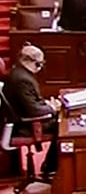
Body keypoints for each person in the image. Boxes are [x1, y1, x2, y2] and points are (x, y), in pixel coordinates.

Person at [4, 46, 61, 176]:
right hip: (25, 125)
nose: (40, 68)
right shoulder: (22, 80)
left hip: (21, 118)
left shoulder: (18, 71)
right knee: (62, 126)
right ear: (33, 61)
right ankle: (51, 167)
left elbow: (31, 102)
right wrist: (53, 108)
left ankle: (50, 166)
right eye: (40, 64)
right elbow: (34, 111)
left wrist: (46, 104)